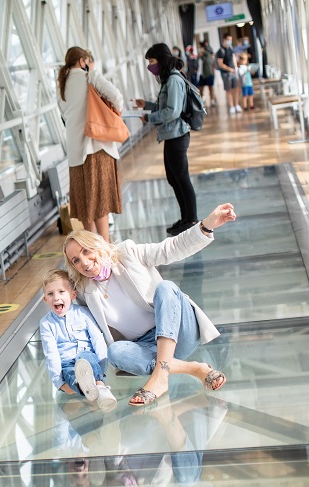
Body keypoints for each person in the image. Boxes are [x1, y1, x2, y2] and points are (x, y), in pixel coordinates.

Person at [62, 203, 237, 406]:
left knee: (166, 288)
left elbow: (170, 248)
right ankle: (192, 368)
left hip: (180, 332)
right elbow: (86, 333)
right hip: (145, 348)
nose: (84, 262)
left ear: (98, 245)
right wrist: (69, 376)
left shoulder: (127, 253)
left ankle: (159, 378)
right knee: (115, 352)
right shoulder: (84, 291)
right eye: (75, 260)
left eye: (86, 251)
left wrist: (206, 226)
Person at [58, 46, 124, 243]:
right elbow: (117, 98)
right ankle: (105, 246)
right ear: (82, 61)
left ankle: (91, 245)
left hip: (75, 152)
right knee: (100, 203)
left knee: (86, 204)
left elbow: (64, 114)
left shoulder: (61, 84)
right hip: (95, 147)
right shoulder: (90, 77)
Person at [133, 43, 198, 236]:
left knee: (182, 178)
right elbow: (166, 106)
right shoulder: (168, 80)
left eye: (152, 61)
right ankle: (185, 217)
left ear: (161, 60)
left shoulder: (173, 80)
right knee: (174, 178)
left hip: (177, 135)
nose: (150, 66)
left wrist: (149, 118)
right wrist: (148, 105)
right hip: (171, 135)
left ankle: (192, 219)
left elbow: (172, 111)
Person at [39, 269, 117, 413]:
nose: (56, 298)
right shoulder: (46, 324)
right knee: (70, 374)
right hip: (67, 362)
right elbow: (51, 353)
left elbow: (97, 338)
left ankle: (99, 385)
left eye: (61, 292)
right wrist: (59, 383)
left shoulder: (83, 313)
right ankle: (87, 389)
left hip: (87, 357)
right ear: (45, 299)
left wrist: (102, 364)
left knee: (85, 358)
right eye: (50, 294)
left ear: (73, 295)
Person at [217, 33, 242, 114]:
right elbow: (220, 64)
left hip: (233, 72)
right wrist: (230, 69)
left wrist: (235, 67)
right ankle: (231, 106)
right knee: (228, 90)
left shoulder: (230, 48)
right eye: (228, 40)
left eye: (231, 40)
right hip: (226, 74)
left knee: (236, 89)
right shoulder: (220, 51)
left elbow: (233, 57)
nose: (230, 41)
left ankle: (236, 105)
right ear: (224, 40)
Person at [198, 41, 218, 108]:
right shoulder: (199, 56)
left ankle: (212, 101)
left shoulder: (207, 54)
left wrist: (203, 56)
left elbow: (208, 62)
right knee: (200, 89)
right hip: (201, 74)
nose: (200, 49)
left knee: (210, 88)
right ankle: (201, 102)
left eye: (200, 48)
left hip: (208, 74)